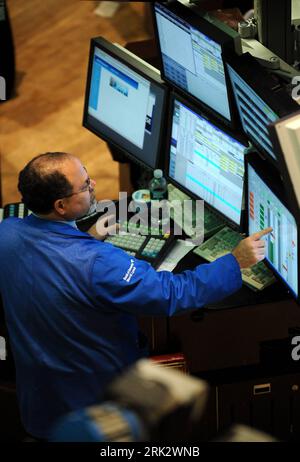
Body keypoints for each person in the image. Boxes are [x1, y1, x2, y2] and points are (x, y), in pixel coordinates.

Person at [0, 152, 271, 439]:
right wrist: (235, 261)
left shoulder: (7, 232)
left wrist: (86, 239)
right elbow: (171, 294)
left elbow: (51, 266)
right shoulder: (98, 264)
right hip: (99, 414)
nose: (93, 184)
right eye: (84, 185)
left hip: (41, 403)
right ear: (61, 205)